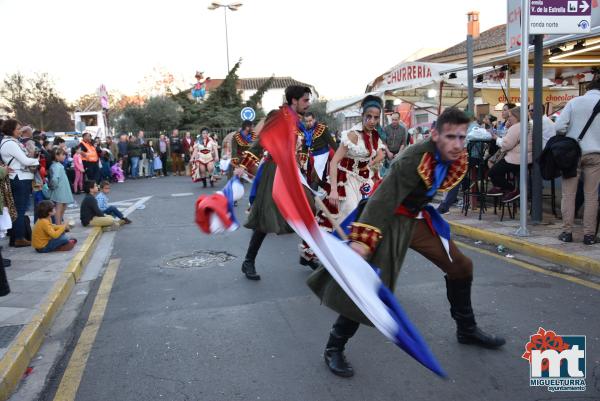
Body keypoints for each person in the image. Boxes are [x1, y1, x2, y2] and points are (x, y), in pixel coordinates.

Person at [307, 108, 505, 378]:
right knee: (372, 286)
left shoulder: (451, 155)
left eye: (462, 136)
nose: (458, 144)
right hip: (388, 220)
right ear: (434, 134)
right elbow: (382, 199)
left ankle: (466, 329)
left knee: (461, 266)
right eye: (451, 136)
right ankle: (334, 346)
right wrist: (363, 243)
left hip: (418, 219)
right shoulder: (413, 158)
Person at [234, 85, 312, 280]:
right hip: (274, 170)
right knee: (265, 217)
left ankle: (308, 254)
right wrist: (244, 164)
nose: (308, 104)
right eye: (305, 100)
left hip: (290, 171)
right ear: (294, 100)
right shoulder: (278, 116)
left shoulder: (296, 120)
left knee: (308, 208)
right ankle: (248, 261)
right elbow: (261, 141)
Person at [321, 95, 385, 225]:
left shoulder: (375, 136)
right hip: (347, 180)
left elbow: (380, 154)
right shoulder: (352, 135)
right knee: (350, 214)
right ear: (362, 115)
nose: (372, 121)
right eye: (369, 116)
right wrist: (333, 190)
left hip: (365, 180)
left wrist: (370, 164)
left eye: (376, 117)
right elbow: (334, 162)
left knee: (369, 214)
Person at [555, 78, 600, 245]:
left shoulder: (575, 102)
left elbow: (559, 127)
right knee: (591, 196)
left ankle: (567, 232)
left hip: (572, 154)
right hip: (596, 155)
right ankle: (589, 235)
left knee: (568, 194)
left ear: (587, 88)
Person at [0, 119, 39, 247]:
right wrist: (36, 161)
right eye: (17, 128)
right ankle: (18, 238)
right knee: (19, 210)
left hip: (21, 177)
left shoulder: (13, 142)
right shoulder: (10, 143)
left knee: (19, 209)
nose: (20, 131)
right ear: (11, 130)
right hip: (19, 178)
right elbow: (25, 161)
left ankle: (17, 237)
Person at [488, 107, 532, 202]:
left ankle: (512, 190)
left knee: (492, 172)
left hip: (516, 158)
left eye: (510, 116)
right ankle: (501, 188)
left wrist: (496, 138)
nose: (509, 118)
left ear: (517, 116)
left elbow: (506, 145)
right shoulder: (527, 125)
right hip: (526, 158)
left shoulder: (516, 127)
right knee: (497, 170)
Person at [297, 112, 337, 188]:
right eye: (307, 121)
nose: (309, 123)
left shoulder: (322, 128)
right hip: (312, 157)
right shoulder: (306, 132)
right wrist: (302, 161)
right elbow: (305, 148)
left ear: (314, 119)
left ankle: (313, 195)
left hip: (323, 155)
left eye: (310, 120)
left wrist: (339, 154)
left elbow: (331, 142)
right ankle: (319, 194)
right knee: (313, 177)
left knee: (315, 177)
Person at [48, 148, 74, 226]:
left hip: (62, 189)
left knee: (62, 207)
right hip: (60, 189)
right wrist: (53, 186)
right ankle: (58, 225)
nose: (64, 156)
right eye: (62, 155)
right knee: (59, 208)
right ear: (56, 156)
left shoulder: (57, 165)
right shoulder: (56, 166)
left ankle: (59, 224)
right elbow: (55, 179)